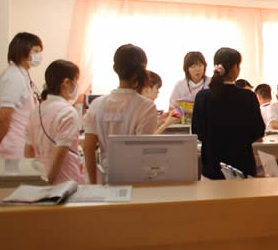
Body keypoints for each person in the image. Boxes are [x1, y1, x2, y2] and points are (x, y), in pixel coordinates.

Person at [82, 44, 158, 183]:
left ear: (115, 68)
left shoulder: (97, 104)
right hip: (137, 180)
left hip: (106, 179)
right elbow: (144, 150)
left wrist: (93, 183)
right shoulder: (146, 106)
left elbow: (88, 147)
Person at [191, 47, 265, 179]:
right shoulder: (248, 96)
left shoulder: (202, 97)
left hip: (211, 167)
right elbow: (258, 132)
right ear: (235, 68)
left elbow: (197, 131)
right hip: (242, 167)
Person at [24, 60, 85, 185]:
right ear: (66, 82)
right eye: (76, 81)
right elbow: (61, 152)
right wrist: (49, 180)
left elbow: (29, 150)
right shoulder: (68, 112)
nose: (77, 86)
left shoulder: (36, 111)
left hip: (40, 177)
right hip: (65, 181)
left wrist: (35, 179)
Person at [0, 32, 44, 159]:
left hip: (24, 145)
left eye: (40, 51)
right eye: (36, 51)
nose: (39, 55)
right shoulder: (12, 76)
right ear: (22, 51)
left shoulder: (23, 76)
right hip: (13, 147)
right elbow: (3, 118)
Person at [142, 70, 180, 135]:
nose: (158, 92)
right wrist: (166, 124)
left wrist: (159, 121)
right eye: (157, 88)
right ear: (148, 88)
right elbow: (148, 137)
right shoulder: (147, 107)